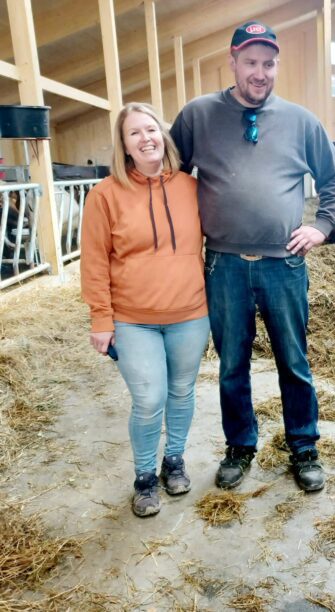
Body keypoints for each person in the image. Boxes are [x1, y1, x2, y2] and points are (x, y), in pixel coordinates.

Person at [170, 20, 335, 493]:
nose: (260, 72)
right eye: (250, 62)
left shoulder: (301, 120)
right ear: (232, 63)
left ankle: (304, 447)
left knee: (294, 359)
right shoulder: (198, 115)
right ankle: (240, 447)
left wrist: (322, 225)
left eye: (268, 63)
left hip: (283, 264)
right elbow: (170, 175)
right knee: (232, 363)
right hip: (223, 263)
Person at [81, 102, 210, 517]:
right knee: (149, 398)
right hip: (133, 319)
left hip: (190, 313)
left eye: (151, 129)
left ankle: (174, 461)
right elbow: (94, 261)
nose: (146, 138)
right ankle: (143, 478)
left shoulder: (191, 188)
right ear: (124, 146)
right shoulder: (104, 195)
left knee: (181, 391)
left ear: (164, 135)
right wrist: (101, 318)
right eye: (134, 133)